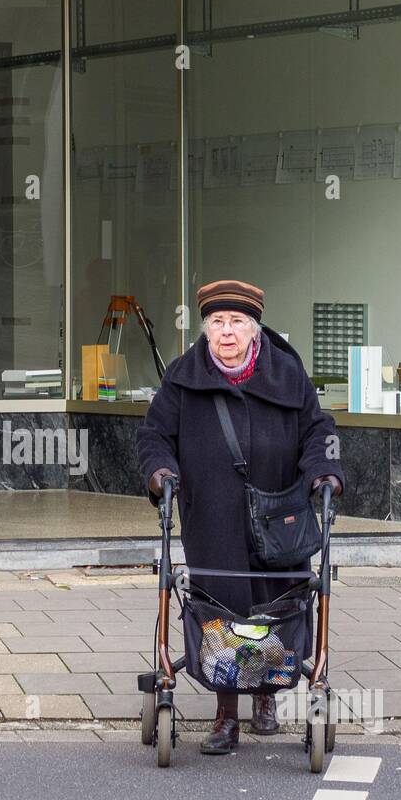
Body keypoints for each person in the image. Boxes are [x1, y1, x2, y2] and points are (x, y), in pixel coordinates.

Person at [137, 279, 344, 756]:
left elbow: (320, 432)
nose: (225, 333)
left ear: (254, 329)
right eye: (216, 323)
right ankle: (226, 713)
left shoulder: (287, 374)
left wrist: (325, 472)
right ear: (205, 327)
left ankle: (267, 695)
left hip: (279, 517)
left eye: (235, 323)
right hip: (212, 519)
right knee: (222, 609)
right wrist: (160, 471)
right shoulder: (183, 377)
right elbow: (153, 435)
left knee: (275, 604)